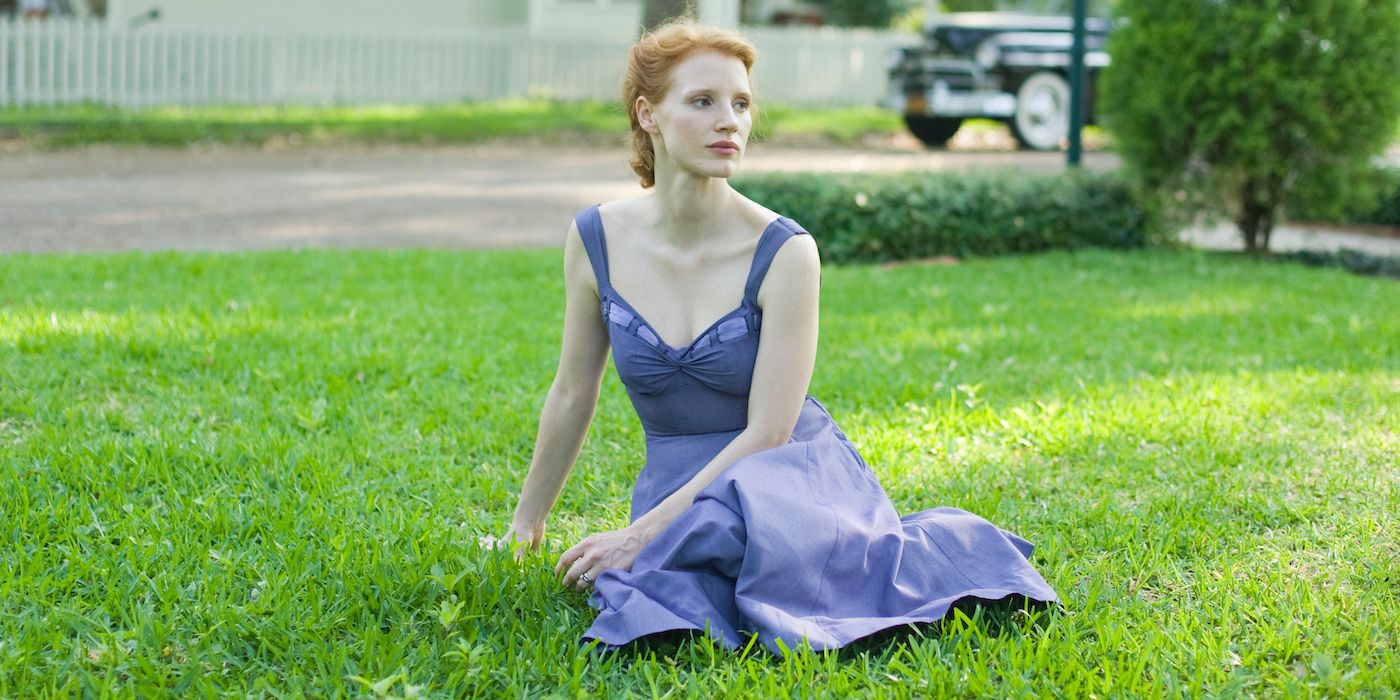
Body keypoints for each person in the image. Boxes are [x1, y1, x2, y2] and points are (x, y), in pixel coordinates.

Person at [495, 20, 1057, 653]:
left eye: (740, 103)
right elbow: (573, 392)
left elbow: (769, 433)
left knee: (694, 572)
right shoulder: (595, 237)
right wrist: (526, 527)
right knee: (669, 587)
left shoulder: (786, 251)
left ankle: (939, 551)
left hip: (777, 469)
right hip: (677, 480)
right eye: (702, 102)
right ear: (648, 114)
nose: (729, 121)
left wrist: (637, 536)